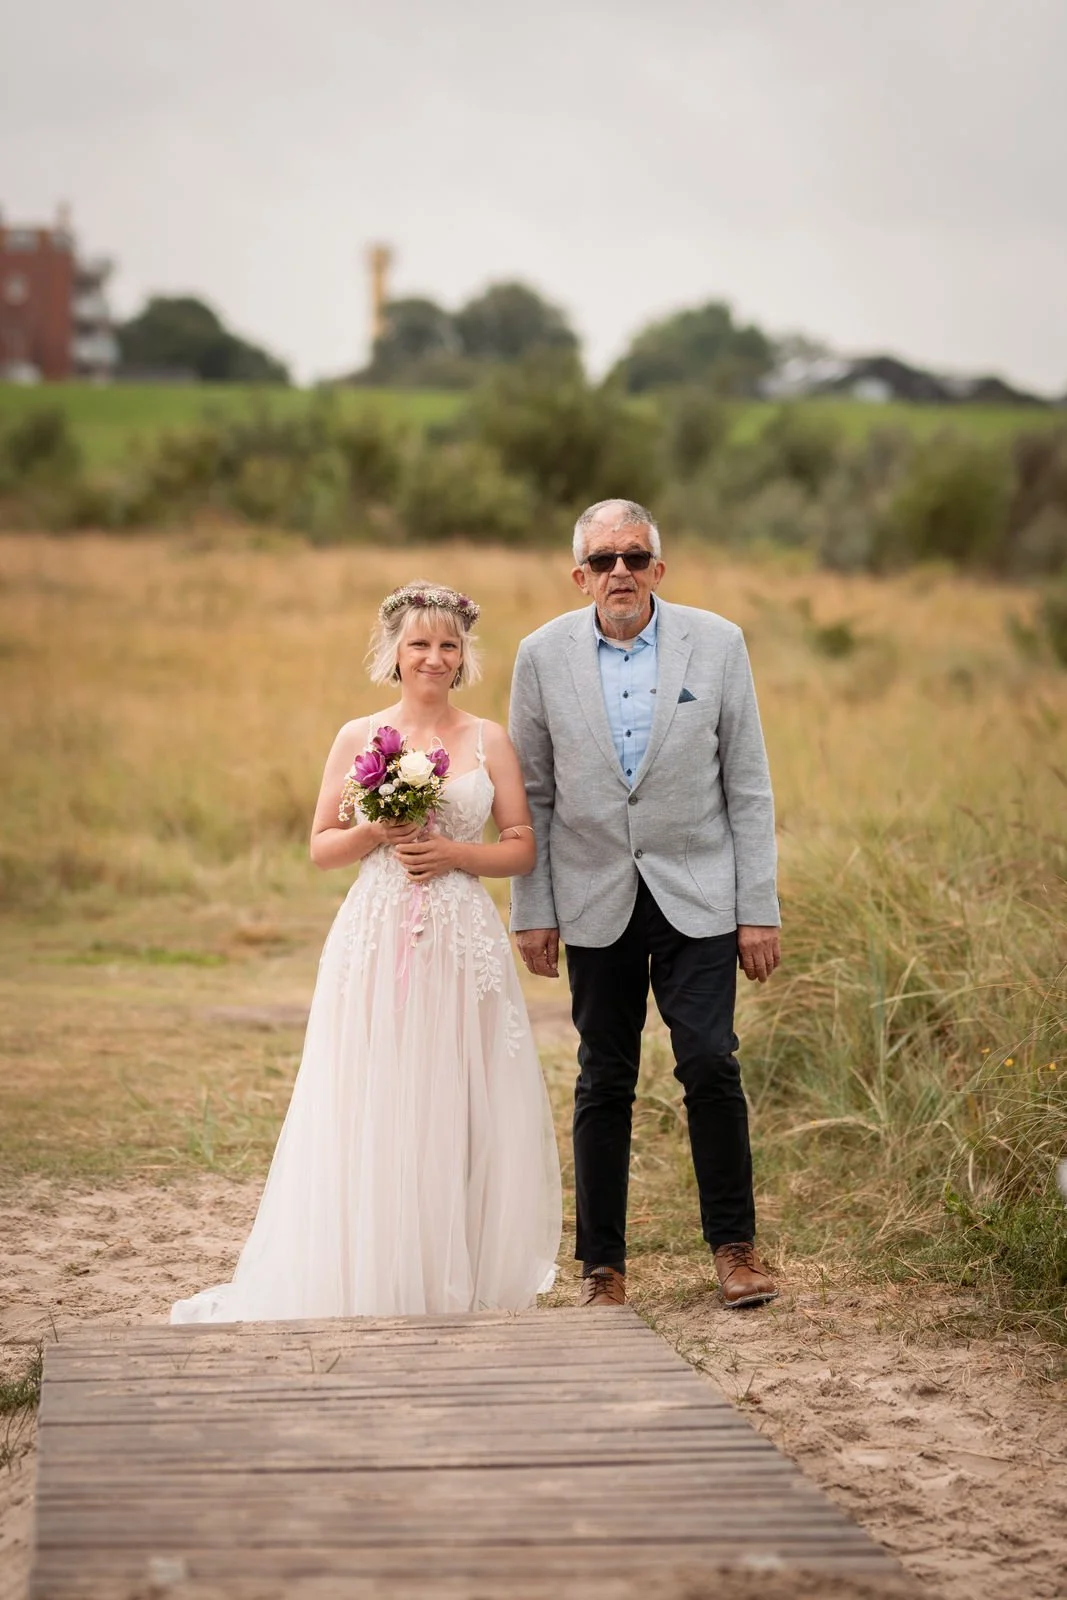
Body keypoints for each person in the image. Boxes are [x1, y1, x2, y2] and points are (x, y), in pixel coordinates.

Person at [172, 582, 561, 1323]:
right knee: (375, 1086)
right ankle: (373, 1262)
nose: (433, 657)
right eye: (419, 643)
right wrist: (375, 833)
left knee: (458, 1090)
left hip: (460, 936)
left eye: (448, 645)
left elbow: (521, 846)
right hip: (377, 930)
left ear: (463, 656)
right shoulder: (357, 737)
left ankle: (456, 1263)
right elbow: (321, 848)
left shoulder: (488, 739)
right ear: (393, 653)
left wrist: (453, 852)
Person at [508, 500, 780, 1310]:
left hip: (699, 893)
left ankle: (734, 1249)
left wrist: (756, 906)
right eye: (601, 560)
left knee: (708, 1062)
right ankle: (602, 1268)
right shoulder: (540, 655)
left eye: (633, 557)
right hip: (594, 895)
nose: (617, 572)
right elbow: (533, 794)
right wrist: (535, 906)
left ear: (657, 568)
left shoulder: (719, 643)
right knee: (604, 1079)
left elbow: (748, 785)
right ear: (578, 574)